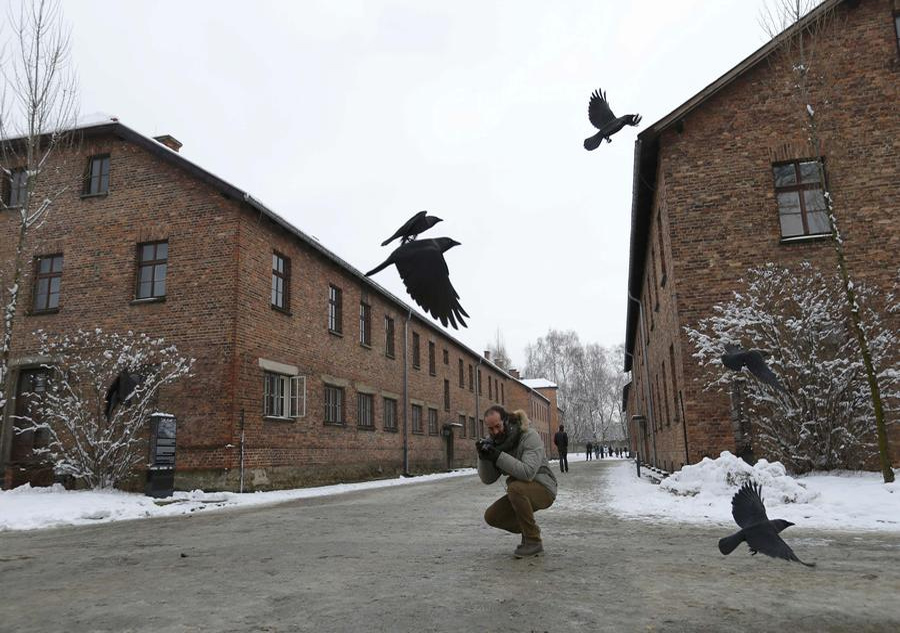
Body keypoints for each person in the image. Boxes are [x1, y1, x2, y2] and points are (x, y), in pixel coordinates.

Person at [477, 405, 558, 558]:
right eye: (490, 429)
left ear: (506, 421)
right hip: (519, 491)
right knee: (492, 516)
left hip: (544, 488)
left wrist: (498, 456)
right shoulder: (495, 443)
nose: (495, 432)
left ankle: (533, 541)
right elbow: (488, 479)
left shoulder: (528, 435)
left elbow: (528, 472)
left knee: (514, 488)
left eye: (498, 426)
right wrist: (483, 457)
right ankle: (529, 530)